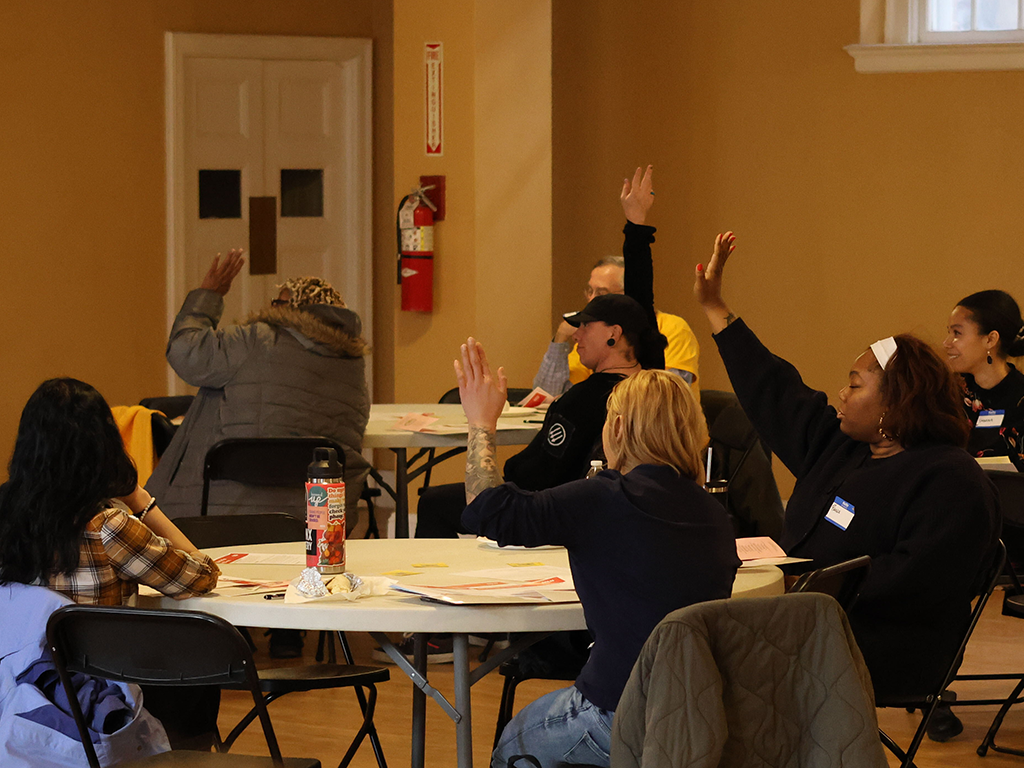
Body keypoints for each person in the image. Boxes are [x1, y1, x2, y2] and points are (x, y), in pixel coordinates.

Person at [693, 232, 1000, 707]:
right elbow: (775, 389)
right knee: (691, 630)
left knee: (707, 649)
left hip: (884, 644)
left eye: (854, 385)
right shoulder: (843, 446)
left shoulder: (948, 478)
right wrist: (716, 308)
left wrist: (808, 589)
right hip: (805, 623)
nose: (841, 394)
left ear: (895, 403)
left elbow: (917, 578)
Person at [455, 339, 739, 768]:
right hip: (696, 715)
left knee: (512, 744)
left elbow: (486, 510)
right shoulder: (713, 513)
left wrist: (481, 423)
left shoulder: (605, 499)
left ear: (619, 429)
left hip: (616, 710)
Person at [414, 166, 668, 540]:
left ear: (614, 335)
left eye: (586, 326)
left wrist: (499, 471)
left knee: (435, 503)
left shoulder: (584, 399)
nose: (577, 334)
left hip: (551, 511)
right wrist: (636, 226)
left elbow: (535, 475)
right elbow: (641, 302)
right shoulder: (649, 374)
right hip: (595, 509)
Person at [0, 378, 220, 751]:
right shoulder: (107, 527)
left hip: (20, 690)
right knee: (201, 671)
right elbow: (201, 576)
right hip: (102, 695)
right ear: (102, 447)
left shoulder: (5, 515)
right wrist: (141, 501)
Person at [146, 249, 371, 525]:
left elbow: (185, 351)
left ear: (291, 310)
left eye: (278, 302)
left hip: (223, 512)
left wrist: (208, 295)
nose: (271, 308)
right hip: (315, 519)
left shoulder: (256, 339)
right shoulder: (352, 362)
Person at [533, 254, 700, 398]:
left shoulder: (674, 328)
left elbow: (667, 397)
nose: (591, 300)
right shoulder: (593, 333)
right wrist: (561, 338)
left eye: (601, 293)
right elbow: (545, 395)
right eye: (590, 291)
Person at [943, 289, 1024, 471]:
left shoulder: (1020, 398)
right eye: (949, 332)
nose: (947, 343)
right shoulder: (947, 392)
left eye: (957, 333)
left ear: (990, 339)